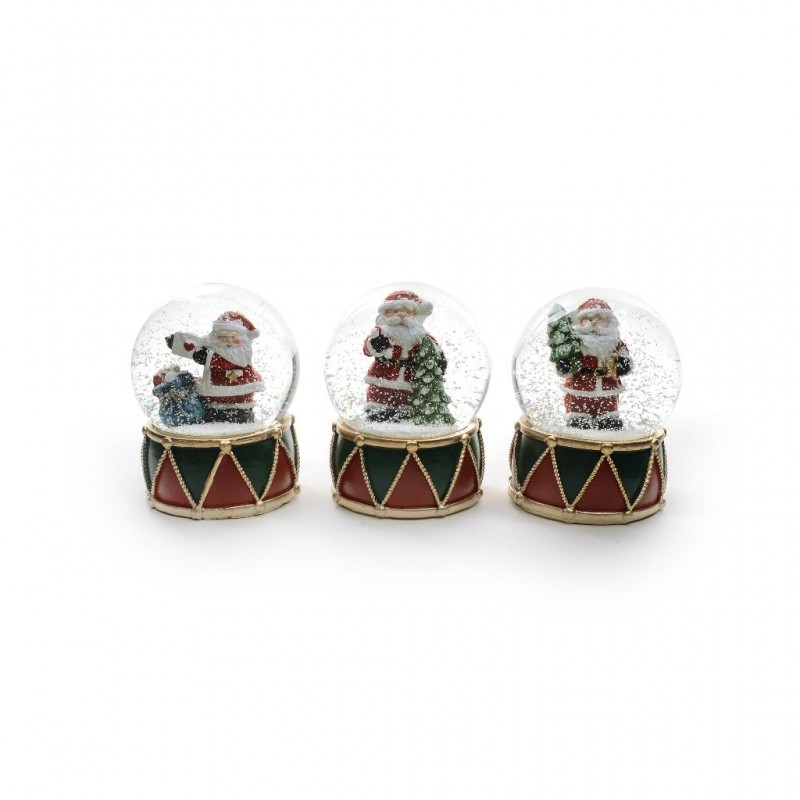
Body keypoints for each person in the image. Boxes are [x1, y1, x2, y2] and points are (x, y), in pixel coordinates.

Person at [363, 290, 449, 423]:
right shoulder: (381, 332)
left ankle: (405, 416)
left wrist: (439, 359)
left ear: (415, 315)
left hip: (409, 377)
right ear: (385, 313)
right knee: (380, 397)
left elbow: (434, 349)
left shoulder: (420, 335)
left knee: (406, 401)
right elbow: (367, 349)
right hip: (383, 373)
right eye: (395, 311)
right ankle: (377, 414)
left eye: (408, 312)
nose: (402, 315)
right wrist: (375, 344)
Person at [166, 311, 264, 424]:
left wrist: (206, 356)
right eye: (222, 337)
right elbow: (197, 345)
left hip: (239, 386)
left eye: (232, 337)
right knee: (212, 408)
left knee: (236, 409)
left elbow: (226, 361)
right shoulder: (213, 345)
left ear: (243, 337)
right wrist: (177, 343)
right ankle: (214, 414)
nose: (227, 341)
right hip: (215, 390)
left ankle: (238, 415)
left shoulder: (240, 354)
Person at [553, 298, 632, 430]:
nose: (594, 323)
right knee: (578, 407)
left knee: (607, 407)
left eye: (601, 320)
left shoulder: (615, 343)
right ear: (580, 322)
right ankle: (579, 418)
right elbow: (566, 361)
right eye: (588, 320)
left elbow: (624, 358)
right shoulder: (575, 344)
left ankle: (607, 418)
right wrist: (564, 364)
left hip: (607, 387)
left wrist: (622, 364)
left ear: (610, 323)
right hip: (579, 387)